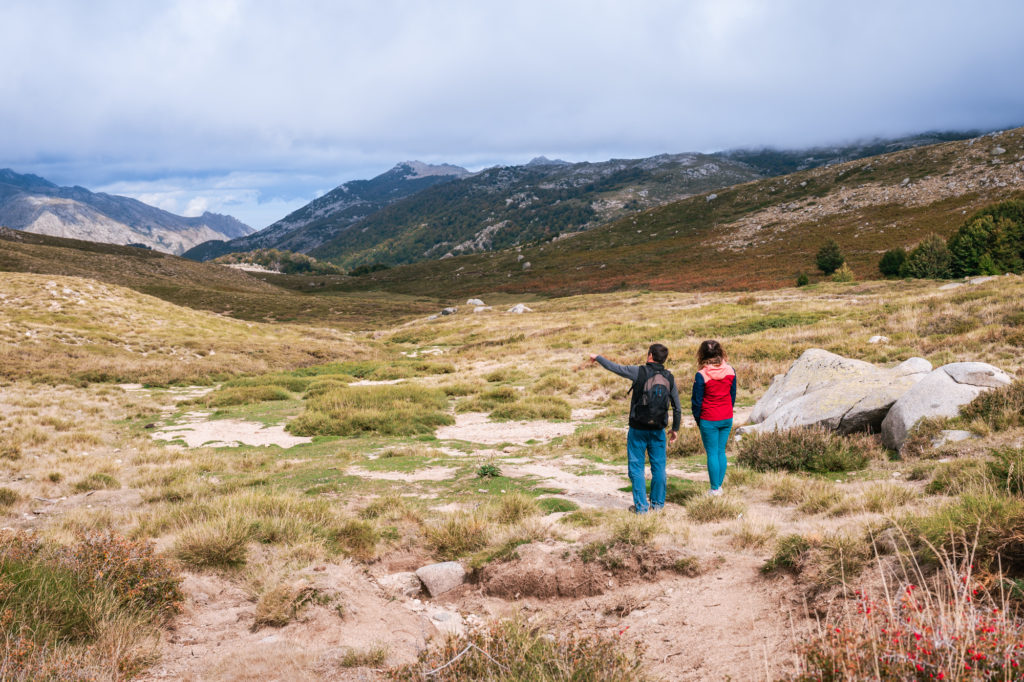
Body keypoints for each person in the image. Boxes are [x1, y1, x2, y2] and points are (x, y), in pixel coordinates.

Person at [588, 344, 681, 513]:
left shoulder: (638, 372)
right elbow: (677, 407)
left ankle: (641, 507)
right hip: (658, 429)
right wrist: (675, 428)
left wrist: (598, 357)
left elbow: (616, 368)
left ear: (650, 355)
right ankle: (658, 506)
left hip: (638, 428)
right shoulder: (670, 377)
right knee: (659, 467)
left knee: (636, 468)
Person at [691, 340, 736, 495]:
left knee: (711, 453)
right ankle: (719, 487)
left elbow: (696, 401)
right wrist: (729, 410)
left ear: (702, 354)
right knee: (720, 451)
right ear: (720, 352)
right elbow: (733, 395)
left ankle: (714, 488)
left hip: (709, 418)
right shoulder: (731, 371)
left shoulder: (701, 375)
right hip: (726, 416)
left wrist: (698, 420)